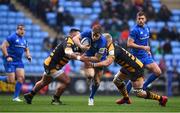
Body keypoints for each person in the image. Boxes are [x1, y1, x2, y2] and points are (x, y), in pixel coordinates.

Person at [86, 33, 168, 106]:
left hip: (135, 68)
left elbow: (107, 63)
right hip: (127, 67)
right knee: (117, 80)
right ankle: (126, 98)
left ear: (107, 42)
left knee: (138, 93)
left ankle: (161, 99)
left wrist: (93, 64)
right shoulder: (108, 48)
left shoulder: (113, 50)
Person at [23, 29, 90, 104]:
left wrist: (86, 51)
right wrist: (79, 57)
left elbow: (79, 53)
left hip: (51, 64)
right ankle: (55, 99)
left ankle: (30, 95)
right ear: (72, 35)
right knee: (67, 81)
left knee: (44, 82)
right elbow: (68, 53)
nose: (80, 37)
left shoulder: (75, 44)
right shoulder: (68, 40)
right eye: (78, 35)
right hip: (52, 65)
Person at [126, 11, 162, 93]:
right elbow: (129, 44)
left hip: (145, 56)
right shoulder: (134, 30)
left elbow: (146, 41)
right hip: (136, 57)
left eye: (142, 19)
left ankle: (144, 86)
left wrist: (148, 50)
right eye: (139, 19)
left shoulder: (147, 28)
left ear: (145, 19)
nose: (140, 20)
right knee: (133, 79)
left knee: (158, 72)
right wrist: (143, 47)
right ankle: (125, 97)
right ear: (136, 19)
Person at [73, 25, 107, 106]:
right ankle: (88, 77)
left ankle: (91, 97)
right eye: (93, 35)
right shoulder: (87, 32)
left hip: (99, 60)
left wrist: (85, 57)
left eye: (97, 35)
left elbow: (97, 58)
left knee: (97, 82)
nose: (94, 37)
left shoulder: (102, 41)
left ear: (100, 34)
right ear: (91, 32)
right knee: (90, 75)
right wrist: (81, 46)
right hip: (88, 57)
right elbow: (75, 38)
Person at [0, 24, 32, 102]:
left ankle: (15, 97)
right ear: (17, 29)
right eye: (21, 29)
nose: (22, 31)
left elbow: (26, 49)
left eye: (24, 30)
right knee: (11, 80)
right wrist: (7, 56)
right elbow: (3, 46)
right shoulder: (12, 37)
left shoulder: (24, 40)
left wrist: (28, 56)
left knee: (21, 78)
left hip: (19, 61)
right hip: (9, 60)